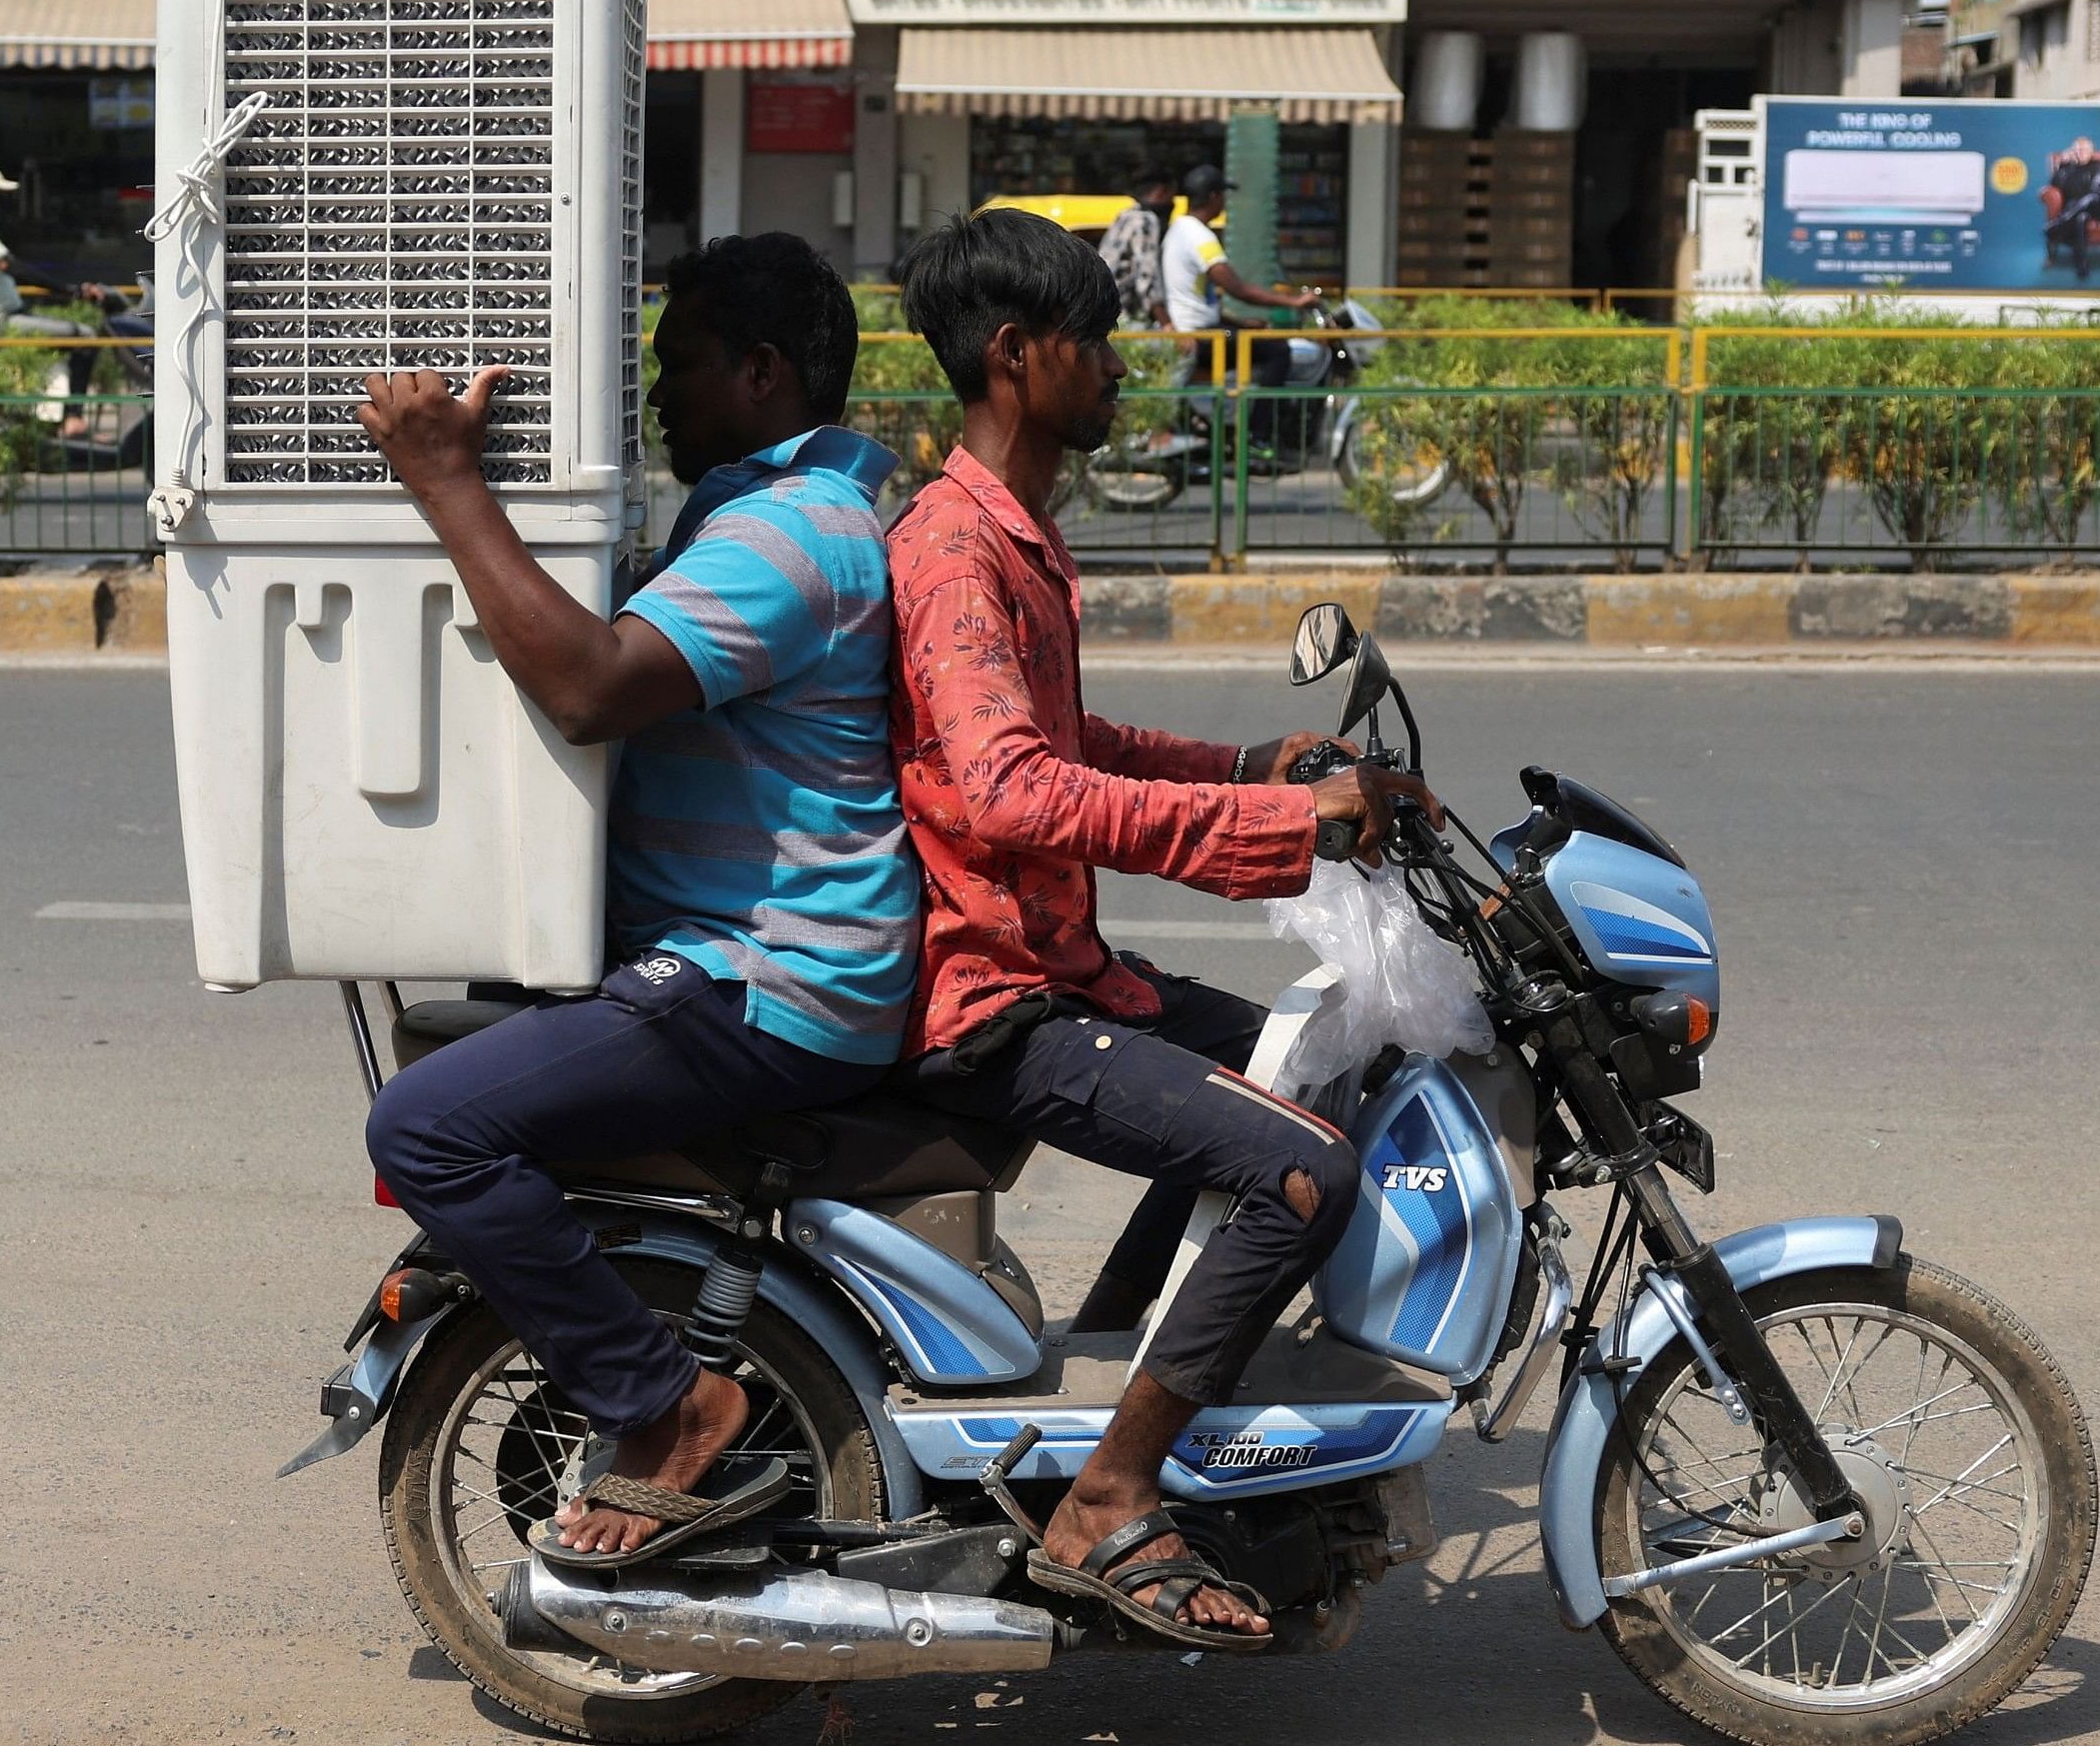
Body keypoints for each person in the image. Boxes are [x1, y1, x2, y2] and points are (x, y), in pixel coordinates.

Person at [885, 208, 1434, 1648]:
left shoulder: (1017, 535)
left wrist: (1252, 763)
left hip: (1065, 969)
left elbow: (1072, 737)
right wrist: (1271, 832)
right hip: (995, 1001)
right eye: (1099, 340)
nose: (1125, 367)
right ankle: (1109, 1495)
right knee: (1305, 1174)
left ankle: (1129, 1384)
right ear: (1018, 357)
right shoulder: (954, 554)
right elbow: (1012, 789)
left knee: (1297, 1064)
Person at [351, 234, 919, 1568]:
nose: (657, 399)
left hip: (766, 979)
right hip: (737, 961)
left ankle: (666, 1408)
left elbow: (593, 684)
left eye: (679, 367)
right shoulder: (758, 517)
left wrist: (445, 477)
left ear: (763, 371)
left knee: (425, 1126)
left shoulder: (788, 533)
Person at [0, 163, 110, 436]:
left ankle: (49, 420)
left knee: (61, 337)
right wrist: (71, 291)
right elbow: (16, 268)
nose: (1, 200)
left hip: (2, 316)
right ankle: (72, 420)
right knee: (85, 339)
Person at [1162, 163, 1332, 409]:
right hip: (1202, 335)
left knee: (1257, 337)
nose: (1224, 203)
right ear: (1213, 196)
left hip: (1200, 328)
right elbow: (1239, 290)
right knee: (1278, 350)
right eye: (1223, 195)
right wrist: (1295, 301)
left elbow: (1196, 300)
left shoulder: (1179, 229)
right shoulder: (1200, 237)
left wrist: (1241, 324)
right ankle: (1259, 434)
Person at [1095, 170, 1171, 326]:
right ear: (1161, 192)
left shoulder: (1125, 216)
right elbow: (1147, 279)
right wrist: (1168, 325)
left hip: (1102, 310)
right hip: (1124, 318)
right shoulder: (1146, 221)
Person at [2041, 137, 2100, 272]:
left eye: (2084, 150)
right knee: (2081, 218)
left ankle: (2060, 224)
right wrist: (2060, 165)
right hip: (2075, 208)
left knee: (2091, 196)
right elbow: (2053, 186)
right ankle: (2081, 262)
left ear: (2091, 151)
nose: (2081, 153)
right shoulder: (2066, 167)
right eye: (2077, 150)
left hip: (2098, 207)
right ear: (2073, 151)